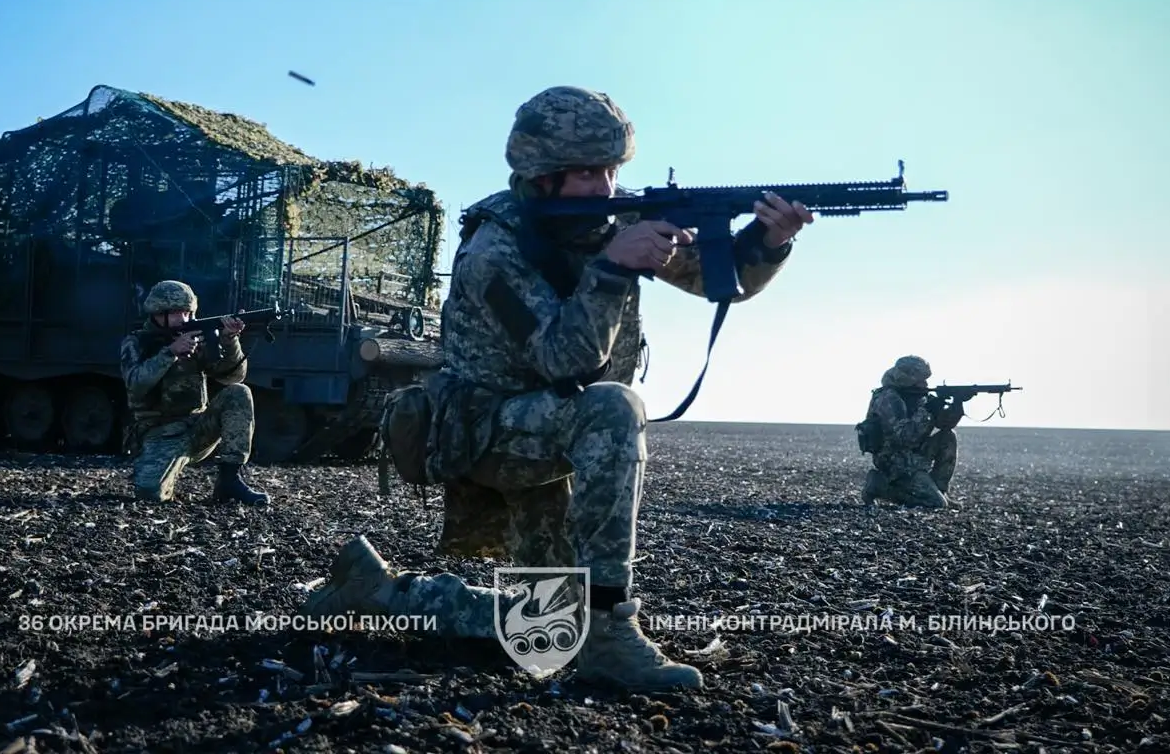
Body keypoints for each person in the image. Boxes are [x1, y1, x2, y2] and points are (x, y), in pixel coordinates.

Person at [303, 85, 812, 691]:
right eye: (587, 173)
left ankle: (382, 593)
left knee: (543, 635)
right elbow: (563, 361)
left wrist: (767, 241)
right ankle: (610, 632)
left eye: (612, 170)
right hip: (488, 436)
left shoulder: (607, 219)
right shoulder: (495, 250)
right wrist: (615, 267)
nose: (605, 187)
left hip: (552, 432)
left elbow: (712, 278)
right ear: (542, 177)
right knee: (613, 407)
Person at [119, 279, 269, 506]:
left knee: (239, 392)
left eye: (188, 312)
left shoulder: (196, 338)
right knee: (149, 494)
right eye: (178, 312)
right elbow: (135, 384)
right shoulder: (136, 342)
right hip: (160, 434)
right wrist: (170, 353)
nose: (185, 319)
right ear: (159, 313)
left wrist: (230, 341)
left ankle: (229, 480)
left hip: (198, 427)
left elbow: (231, 377)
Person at [857, 355, 971, 508]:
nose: (924, 384)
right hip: (894, 462)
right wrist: (927, 411)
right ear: (907, 378)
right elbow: (903, 438)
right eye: (920, 379)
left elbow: (945, 424)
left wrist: (957, 404)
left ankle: (940, 490)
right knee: (935, 504)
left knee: (948, 437)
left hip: (914, 456)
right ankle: (879, 486)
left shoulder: (917, 396)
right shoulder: (888, 399)